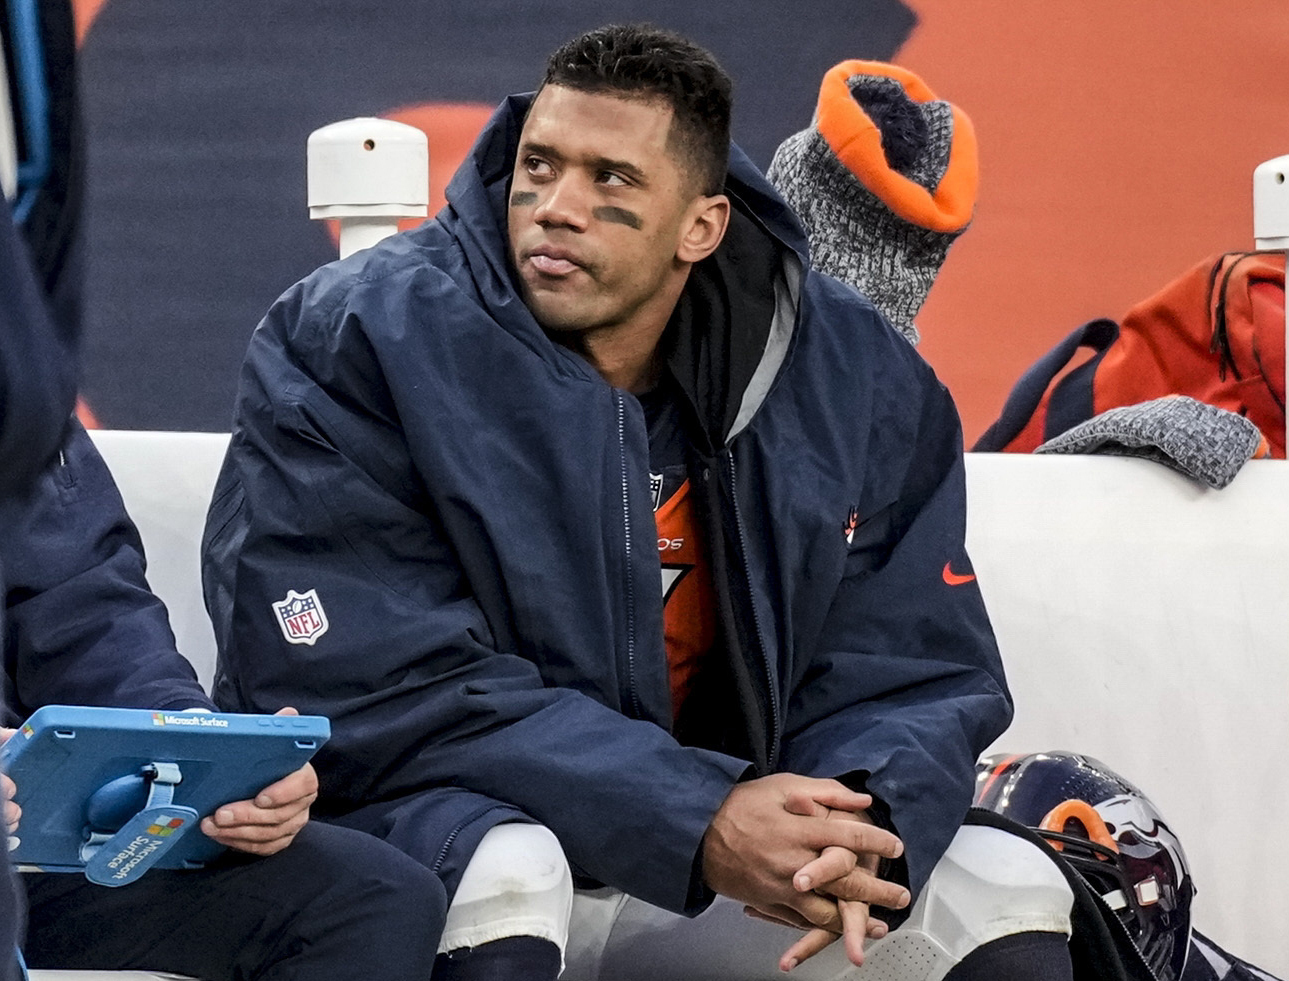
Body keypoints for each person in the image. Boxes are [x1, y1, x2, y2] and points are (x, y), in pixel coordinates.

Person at [203, 23, 1076, 980]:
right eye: (539, 165)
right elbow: (362, 678)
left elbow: (909, 661)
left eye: (610, 178)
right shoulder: (354, 334)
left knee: (1004, 889)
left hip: (721, 856)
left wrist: (852, 820)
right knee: (510, 868)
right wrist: (693, 814)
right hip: (452, 831)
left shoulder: (850, 371)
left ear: (701, 226)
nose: (555, 207)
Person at [0, 417, 446, 979]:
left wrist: (201, 751)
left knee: (374, 896)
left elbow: (86, 612)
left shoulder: (17, 396)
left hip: (28, 844)